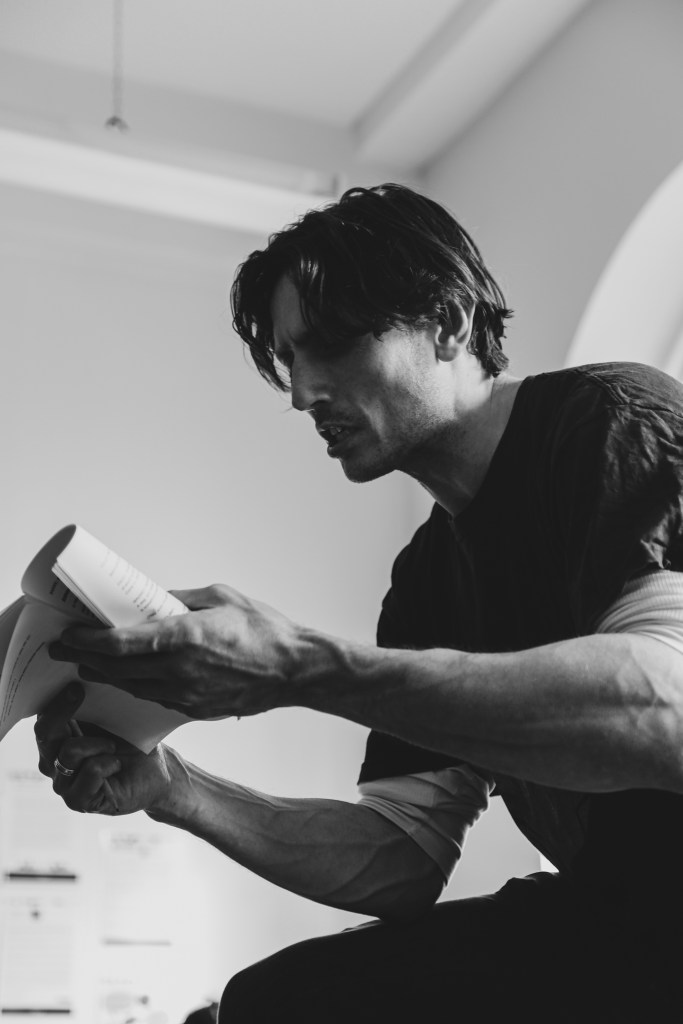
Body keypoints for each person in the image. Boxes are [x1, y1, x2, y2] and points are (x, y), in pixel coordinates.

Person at [35, 184, 683, 1022]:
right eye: (288, 361)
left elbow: (659, 710)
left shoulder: (608, 420)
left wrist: (298, 667)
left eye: (331, 345)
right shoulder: (426, 578)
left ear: (448, 322)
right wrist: (172, 789)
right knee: (271, 1004)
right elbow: (401, 856)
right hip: (619, 924)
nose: (302, 392)